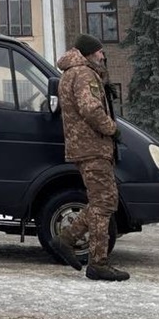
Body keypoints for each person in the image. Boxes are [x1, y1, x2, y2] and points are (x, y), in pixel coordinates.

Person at [50, 34, 129, 282]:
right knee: (104, 203)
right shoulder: (83, 74)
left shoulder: (71, 73)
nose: (103, 56)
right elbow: (91, 108)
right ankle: (97, 263)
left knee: (101, 201)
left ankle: (66, 239)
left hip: (84, 147)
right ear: (89, 53)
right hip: (93, 147)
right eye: (100, 51)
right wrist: (112, 129)